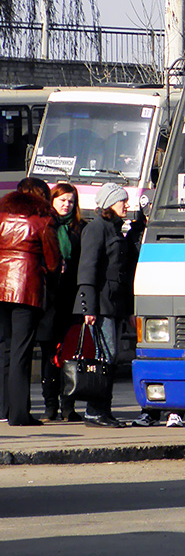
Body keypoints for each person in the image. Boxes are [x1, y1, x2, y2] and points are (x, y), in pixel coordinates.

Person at [78, 183, 146, 428]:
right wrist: (89, 308)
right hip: (102, 305)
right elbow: (88, 268)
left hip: (115, 305)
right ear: (109, 204)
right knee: (105, 356)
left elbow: (124, 269)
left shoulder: (115, 229)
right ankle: (95, 411)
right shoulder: (97, 229)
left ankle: (103, 410)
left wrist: (128, 309)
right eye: (122, 202)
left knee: (110, 356)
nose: (127, 205)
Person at [0, 177, 60, 427]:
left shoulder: (2, 218)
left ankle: (4, 409)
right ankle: (19, 414)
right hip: (26, 289)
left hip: (1, 287)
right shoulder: (42, 221)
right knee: (21, 352)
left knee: (4, 347)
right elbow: (54, 261)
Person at [35, 182, 84, 422]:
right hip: (49, 301)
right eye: (62, 200)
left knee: (69, 355)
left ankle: (69, 406)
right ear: (52, 201)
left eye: (71, 201)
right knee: (48, 356)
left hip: (71, 300)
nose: (66, 205)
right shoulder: (46, 226)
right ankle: (50, 406)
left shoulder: (80, 229)